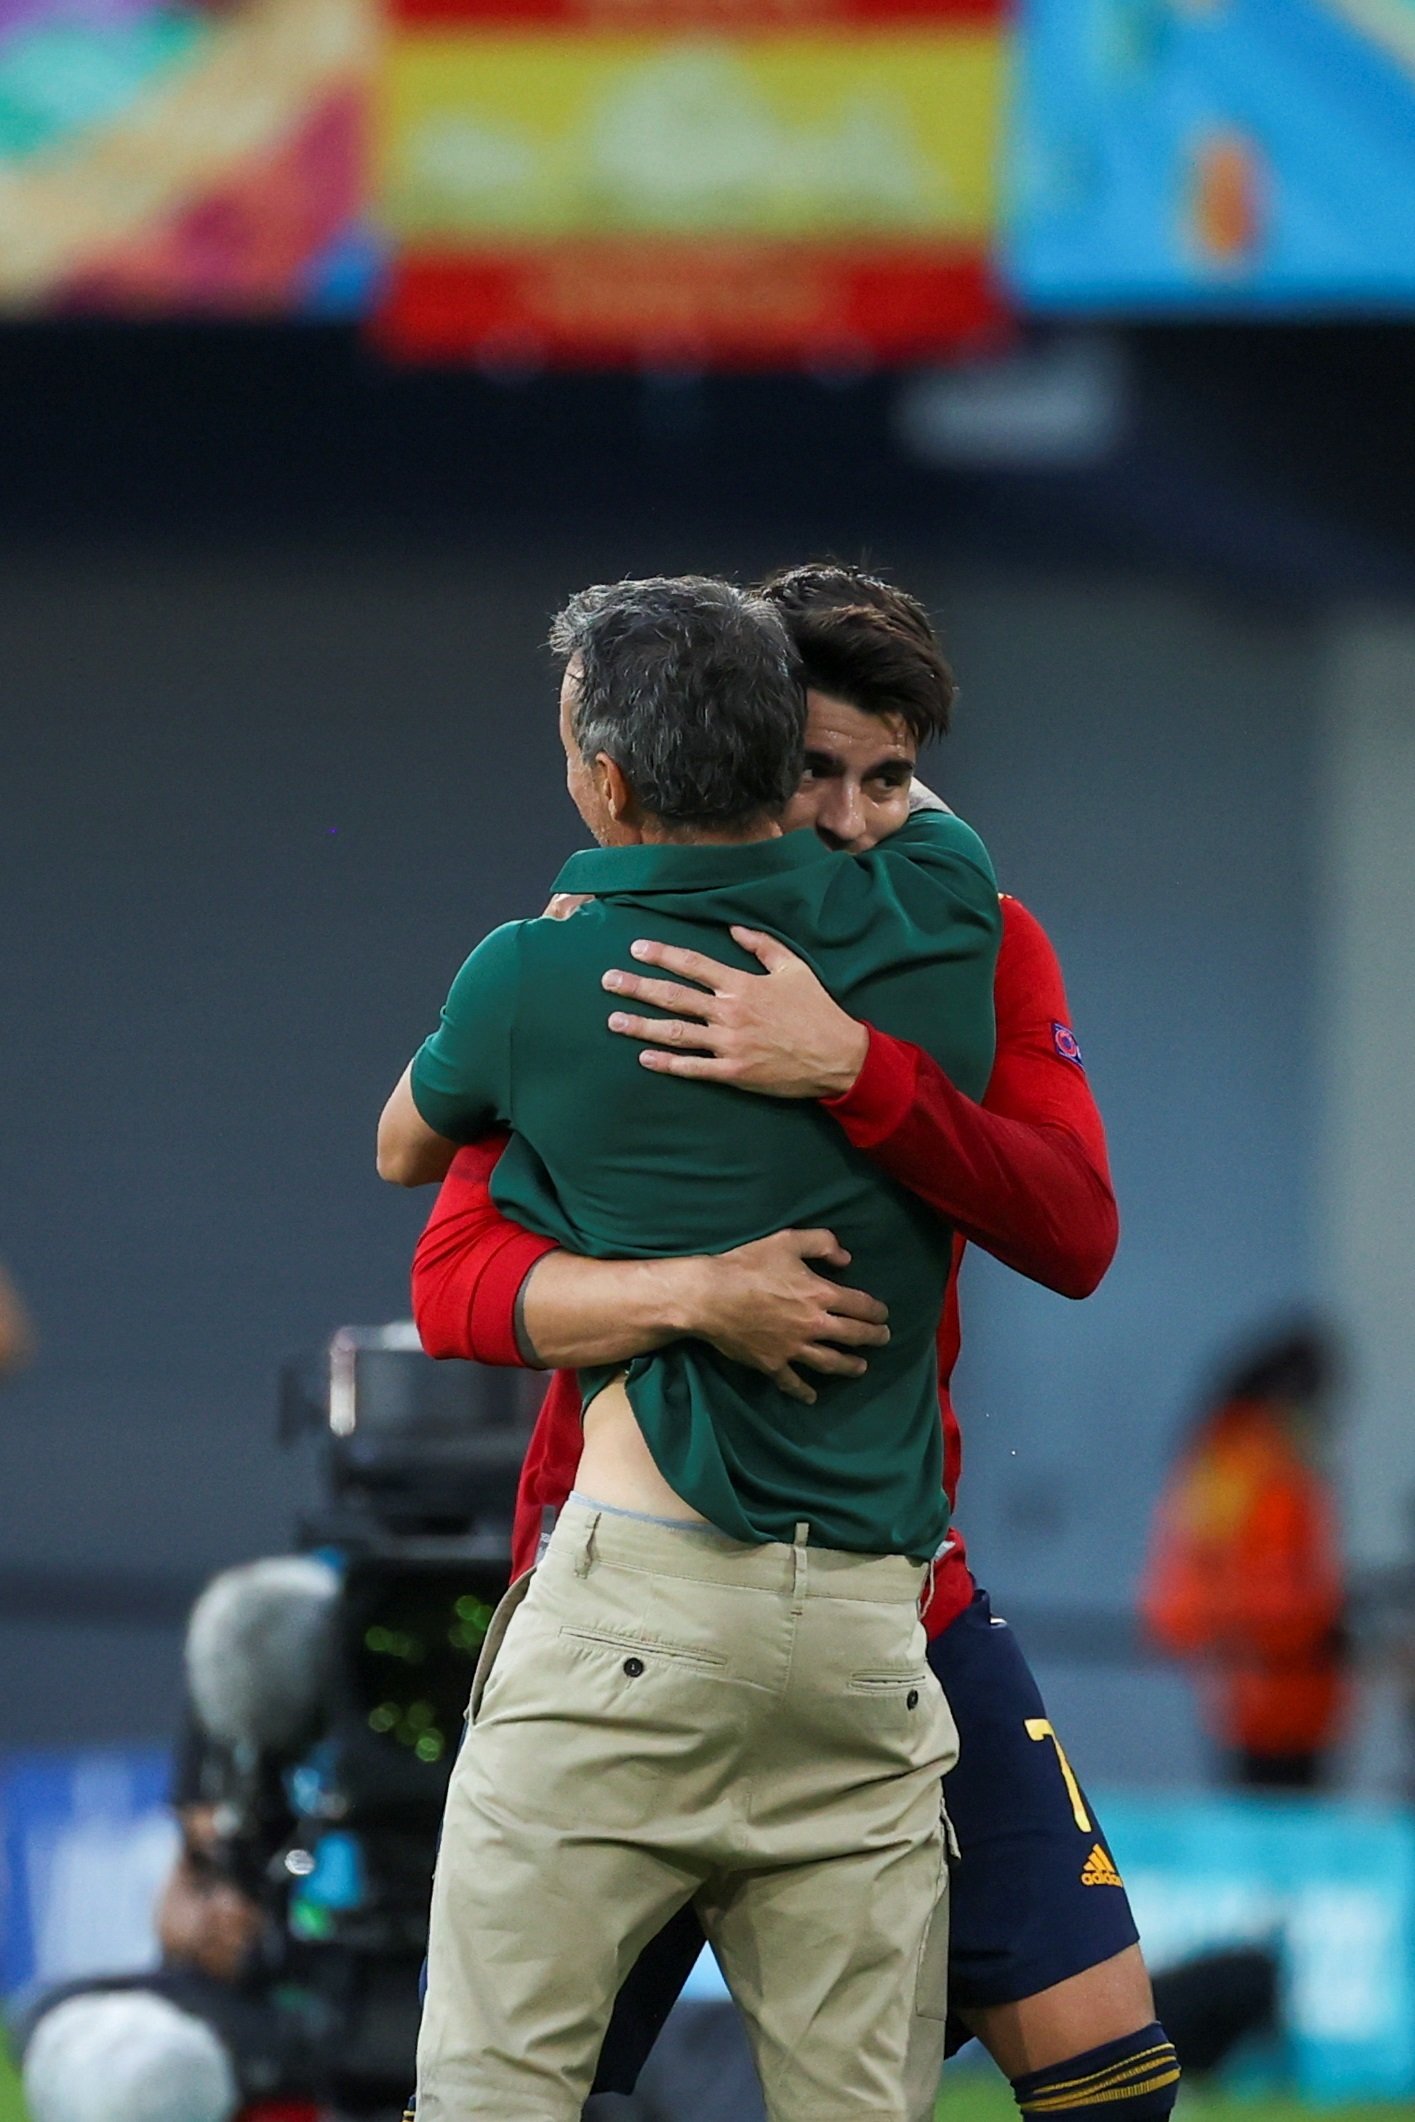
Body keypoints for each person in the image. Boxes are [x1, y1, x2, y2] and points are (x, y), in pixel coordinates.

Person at [410, 566, 1180, 2122]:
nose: (846, 816)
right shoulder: (618, 946)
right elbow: (458, 1271)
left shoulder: (964, 945)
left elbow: (1075, 1228)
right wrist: (696, 1288)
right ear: (746, 761)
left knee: (1109, 2078)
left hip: (894, 1589)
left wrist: (853, 1066)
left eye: (886, 778)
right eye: (811, 771)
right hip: (626, 1566)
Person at [1141, 1325, 1347, 1790]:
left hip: (1288, 1684)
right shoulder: (1241, 1460)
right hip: (1262, 1684)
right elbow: (1226, 1579)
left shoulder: (1247, 1458)